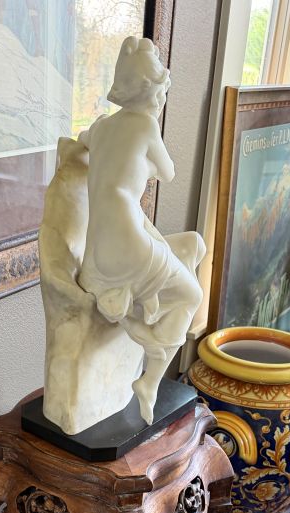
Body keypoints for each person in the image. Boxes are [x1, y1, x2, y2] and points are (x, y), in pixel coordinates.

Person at [78, 36, 205, 424]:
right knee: (192, 295)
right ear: (149, 91)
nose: (162, 99)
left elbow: (79, 143)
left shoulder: (100, 128)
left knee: (193, 245)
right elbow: (168, 172)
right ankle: (150, 375)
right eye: (161, 90)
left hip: (98, 252)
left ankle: (147, 315)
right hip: (129, 243)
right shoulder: (146, 126)